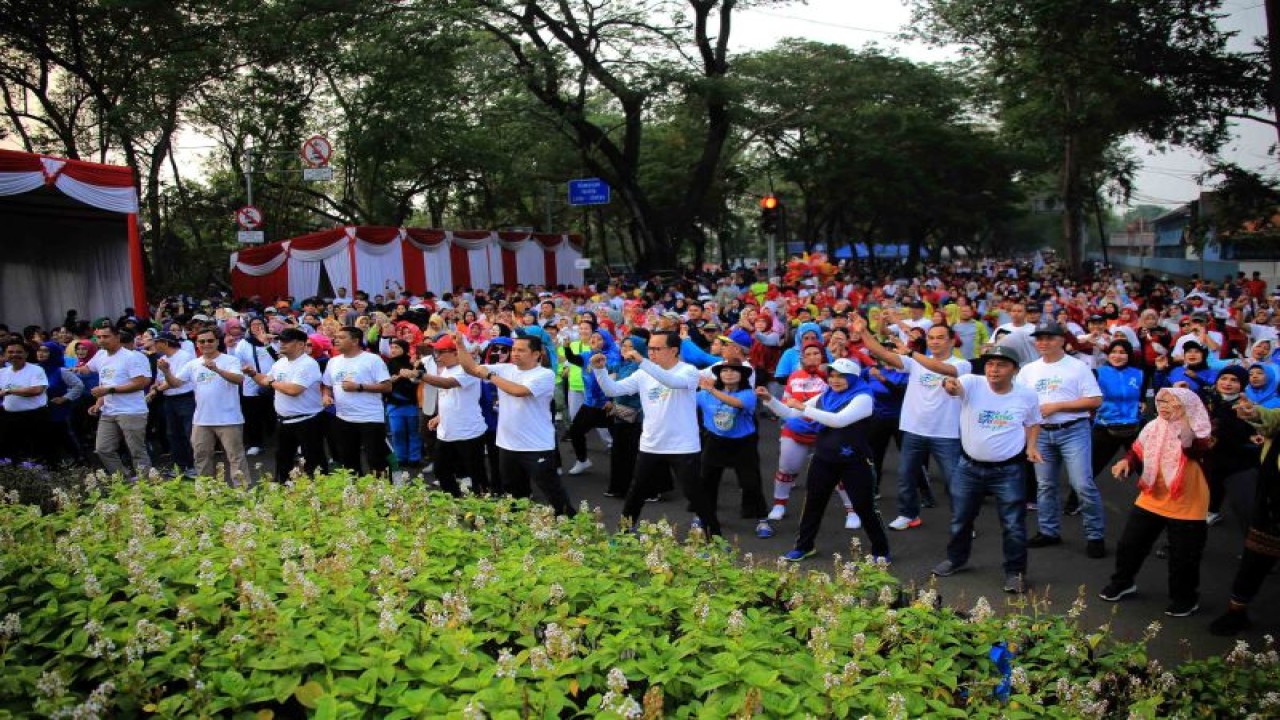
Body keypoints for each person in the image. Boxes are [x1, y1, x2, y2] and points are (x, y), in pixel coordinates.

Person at [931, 346, 1043, 594]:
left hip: (1008, 470)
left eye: (1001, 365)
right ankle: (956, 559)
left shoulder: (1026, 395)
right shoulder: (972, 383)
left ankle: (1015, 573)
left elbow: (1033, 422)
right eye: (990, 364)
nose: (994, 369)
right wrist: (949, 384)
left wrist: (1031, 447)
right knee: (960, 519)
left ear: (1015, 370)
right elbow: (953, 387)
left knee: (1013, 525)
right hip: (968, 468)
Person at [761, 358, 889, 562]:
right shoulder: (825, 395)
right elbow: (791, 413)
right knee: (813, 503)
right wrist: (770, 399)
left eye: (841, 376)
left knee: (864, 506)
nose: (835, 380)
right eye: (832, 375)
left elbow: (838, 421)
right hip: (824, 458)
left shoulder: (863, 397)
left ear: (853, 378)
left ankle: (881, 551)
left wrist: (804, 408)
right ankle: (804, 546)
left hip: (855, 461)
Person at [1101, 387, 1212, 618]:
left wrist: (1182, 421)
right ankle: (1123, 583)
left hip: (1186, 501)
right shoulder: (1153, 426)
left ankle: (1185, 599)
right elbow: (1137, 451)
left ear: (1186, 406)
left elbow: (1193, 449)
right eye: (1161, 401)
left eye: (1172, 402)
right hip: (1152, 495)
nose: (1164, 406)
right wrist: (1127, 462)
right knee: (1130, 545)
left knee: (1183, 556)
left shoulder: (1201, 429)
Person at [591, 330, 717, 534]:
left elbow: (671, 382)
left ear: (674, 350)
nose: (651, 353)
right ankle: (624, 533)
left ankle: (715, 536)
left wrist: (642, 361)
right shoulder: (643, 373)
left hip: (682, 445)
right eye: (649, 348)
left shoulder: (688, 371)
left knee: (695, 494)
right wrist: (600, 371)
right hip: (651, 443)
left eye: (657, 349)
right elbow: (612, 390)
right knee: (636, 492)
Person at [856, 316, 967, 531]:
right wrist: (863, 332)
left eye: (940, 338)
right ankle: (908, 514)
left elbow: (943, 369)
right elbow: (882, 353)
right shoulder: (915, 361)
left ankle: (963, 522)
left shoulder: (961, 364)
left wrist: (911, 354)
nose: (934, 342)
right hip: (914, 429)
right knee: (906, 475)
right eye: (931, 338)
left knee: (955, 480)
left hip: (946, 432)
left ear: (952, 341)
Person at [1017, 319, 1107, 558]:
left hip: (1073, 430)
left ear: (1061, 340)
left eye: (1049, 338)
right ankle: (1049, 531)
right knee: (1045, 485)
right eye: (1039, 338)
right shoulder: (1028, 370)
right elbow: (1021, 404)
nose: (1043, 342)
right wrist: (1028, 440)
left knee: (1082, 484)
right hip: (1041, 433)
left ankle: (1095, 535)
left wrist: (1057, 406)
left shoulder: (1077, 367)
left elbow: (1095, 400)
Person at [458, 334, 575, 515]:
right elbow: (471, 369)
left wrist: (490, 375)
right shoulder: (505, 368)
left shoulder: (545, 374)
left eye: (521, 350)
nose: (515, 353)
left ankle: (571, 522)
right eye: (513, 349)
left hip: (536, 446)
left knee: (553, 492)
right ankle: (520, 525)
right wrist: (459, 344)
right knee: (514, 494)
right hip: (508, 445)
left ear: (536, 354)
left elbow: (518, 391)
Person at [1210, 396, 1280, 634]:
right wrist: (1254, 412)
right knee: (1254, 560)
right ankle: (1236, 613)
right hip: (1270, 501)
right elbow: (1272, 419)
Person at [157, 328, 251, 486]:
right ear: (197, 344)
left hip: (229, 418)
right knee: (201, 457)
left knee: (235, 457)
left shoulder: (230, 360)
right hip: (201, 420)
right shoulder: (193, 364)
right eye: (202, 341)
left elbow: (239, 379)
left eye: (210, 340)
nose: (206, 344)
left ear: (217, 342)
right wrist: (166, 372)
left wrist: (217, 370)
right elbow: (175, 383)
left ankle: (242, 490)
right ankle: (207, 490)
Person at [696, 362, 771, 538]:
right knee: (706, 480)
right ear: (719, 375)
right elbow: (683, 401)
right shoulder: (703, 395)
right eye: (724, 370)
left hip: (743, 444)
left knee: (750, 483)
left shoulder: (748, 394)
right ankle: (703, 515)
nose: (729, 374)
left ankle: (762, 519)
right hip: (715, 442)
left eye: (734, 371)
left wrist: (711, 389)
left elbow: (737, 403)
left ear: (742, 376)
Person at [245, 327, 328, 482]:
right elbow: (265, 380)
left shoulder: (308, 364)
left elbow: (294, 390)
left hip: (308, 421)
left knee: (314, 463)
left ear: (301, 344)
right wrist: (253, 374)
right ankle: (284, 488)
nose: (282, 343)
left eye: (287, 341)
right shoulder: (280, 363)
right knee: (283, 461)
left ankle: (320, 490)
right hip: (284, 421)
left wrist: (272, 382)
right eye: (280, 340)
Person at [421, 334, 489, 495]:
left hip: (468, 432)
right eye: (436, 352)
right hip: (447, 432)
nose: (437, 356)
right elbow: (449, 397)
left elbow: (448, 384)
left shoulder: (470, 369)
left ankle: (484, 502)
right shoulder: (446, 369)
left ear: (456, 352)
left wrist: (419, 375)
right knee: (441, 470)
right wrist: (439, 416)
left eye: (440, 352)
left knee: (476, 473)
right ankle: (454, 499)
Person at [322, 326, 392, 476]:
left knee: (376, 460)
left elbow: (387, 386)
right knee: (348, 462)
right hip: (343, 418)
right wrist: (326, 396)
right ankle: (354, 489)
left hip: (370, 418)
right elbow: (327, 386)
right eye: (336, 337)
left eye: (341, 337)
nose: (336, 340)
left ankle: (383, 488)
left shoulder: (372, 359)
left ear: (355, 341)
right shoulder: (333, 361)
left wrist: (359, 387)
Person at [85, 325, 153, 477]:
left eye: (106, 336)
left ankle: (147, 484)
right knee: (103, 449)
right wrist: (99, 403)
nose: (102, 340)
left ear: (117, 337)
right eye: (99, 337)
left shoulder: (130, 357)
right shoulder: (101, 356)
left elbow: (140, 383)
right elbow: (103, 381)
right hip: (108, 411)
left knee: (136, 451)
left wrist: (109, 390)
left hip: (131, 411)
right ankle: (124, 481)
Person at [149, 333, 196, 475]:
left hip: (185, 398)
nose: (154, 345)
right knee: (173, 433)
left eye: (156, 342)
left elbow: (176, 381)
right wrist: (155, 386)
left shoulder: (184, 356)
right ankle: (180, 465)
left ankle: (193, 465)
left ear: (165, 342)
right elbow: (160, 379)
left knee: (188, 432)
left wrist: (157, 389)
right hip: (169, 399)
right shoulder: (162, 358)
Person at [0, 339, 50, 464]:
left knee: (36, 452)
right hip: (9, 417)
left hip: (34, 417)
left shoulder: (36, 370)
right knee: (12, 451)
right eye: (10, 352)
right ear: (5, 354)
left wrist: (9, 391)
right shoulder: (2, 372)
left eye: (19, 352)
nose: (14, 355)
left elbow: (37, 390)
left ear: (26, 354)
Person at [384, 338, 422, 468]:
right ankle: (400, 457)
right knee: (397, 432)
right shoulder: (387, 365)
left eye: (397, 347)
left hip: (411, 403)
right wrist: (390, 380)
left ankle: (414, 458)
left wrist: (414, 372)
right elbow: (381, 382)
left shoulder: (413, 363)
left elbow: (420, 379)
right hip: (394, 404)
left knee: (413, 432)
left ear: (404, 349)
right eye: (392, 347)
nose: (393, 350)